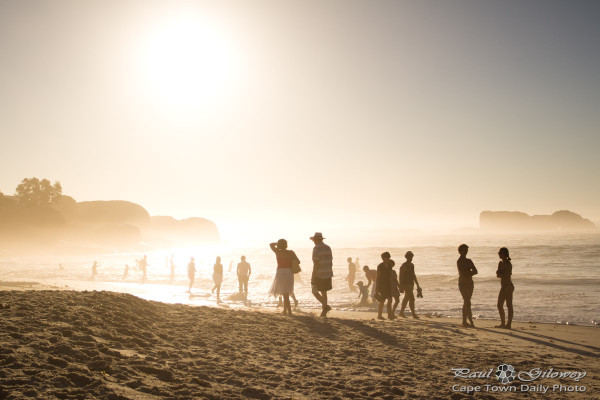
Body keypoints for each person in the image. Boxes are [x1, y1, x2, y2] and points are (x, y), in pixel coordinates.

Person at [269, 239, 300, 315]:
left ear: (279, 245)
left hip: (280, 272)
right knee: (286, 292)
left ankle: (288, 311)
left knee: (284, 292)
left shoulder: (278, 252)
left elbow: (271, 245)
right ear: (286, 245)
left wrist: (278, 244)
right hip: (289, 272)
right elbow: (298, 261)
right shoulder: (291, 252)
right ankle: (286, 310)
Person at [310, 232, 333, 317]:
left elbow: (316, 263)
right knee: (324, 292)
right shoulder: (328, 247)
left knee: (314, 291)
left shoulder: (316, 248)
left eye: (314, 240)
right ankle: (324, 312)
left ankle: (325, 306)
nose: (313, 242)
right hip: (328, 272)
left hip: (319, 273)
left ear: (316, 240)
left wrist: (313, 275)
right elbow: (331, 261)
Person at [457, 244, 478, 328]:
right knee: (467, 301)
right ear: (460, 251)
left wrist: (468, 273)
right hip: (463, 283)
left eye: (467, 250)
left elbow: (475, 271)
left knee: (467, 302)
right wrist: (469, 272)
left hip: (470, 282)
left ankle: (467, 322)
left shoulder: (469, 260)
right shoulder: (459, 261)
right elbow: (462, 272)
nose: (466, 251)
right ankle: (467, 322)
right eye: (465, 250)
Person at [495, 247, 514, 329]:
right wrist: (500, 273)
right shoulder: (500, 263)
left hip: (508, 286)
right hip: (503, 286)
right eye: (499, 253)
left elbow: (505, 274)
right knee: (499, 305)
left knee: (509, 305)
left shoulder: (508, 264)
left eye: (501, 253)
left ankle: (508, 324)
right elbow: (498, 274)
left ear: (505, 254)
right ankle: (503, 323)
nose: (499, 254)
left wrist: (500, 273)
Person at [399, 251, 421, 319]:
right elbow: (401, 276)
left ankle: (401, 312)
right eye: (410, 257)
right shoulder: (404, 266)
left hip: (411, 283)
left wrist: (417, 284)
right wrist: (401, 286)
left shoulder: (412, 265)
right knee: (411, 298)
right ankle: (413, 314)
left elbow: (413, 275)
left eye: (411, 257)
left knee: (406, 298)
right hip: (405, 284)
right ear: (407, 257)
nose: (411, 258)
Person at [376, 252, 393, 320]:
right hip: (382, 285)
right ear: (383, 258)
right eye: (386, 257)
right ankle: (379, 315)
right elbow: (378, 277)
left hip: (388, 284)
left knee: (390, 300)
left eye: (389, 257)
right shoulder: (380, 266)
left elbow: (391, 275)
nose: (388, 259)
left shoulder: (390, 265)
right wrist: (377, 287)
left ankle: (389, 315)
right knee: (382, 300)